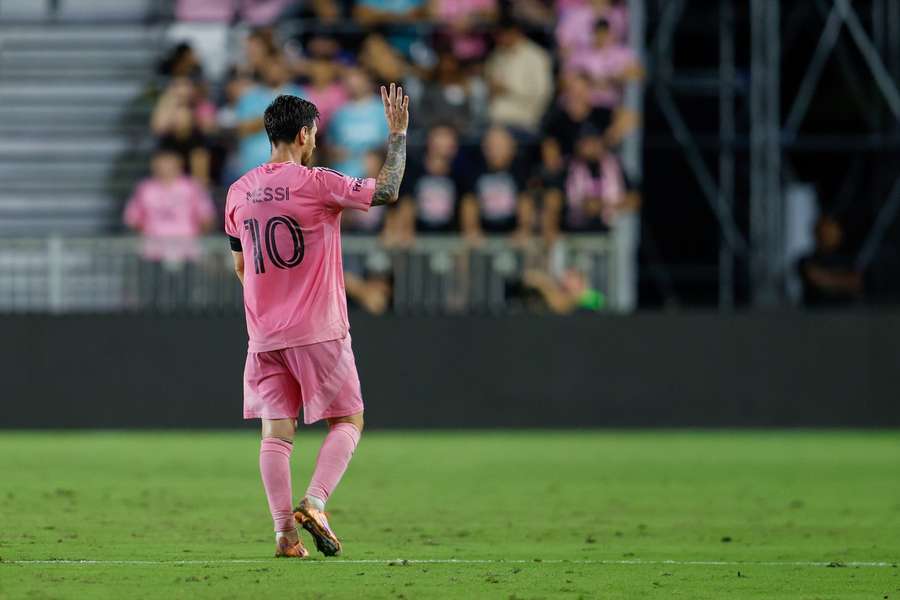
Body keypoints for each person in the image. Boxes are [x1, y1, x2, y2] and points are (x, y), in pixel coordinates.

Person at [224, 85, 409, 558]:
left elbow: (241, 267)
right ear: (305, 134)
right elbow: (386, 191)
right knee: (348, 419)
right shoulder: (318, 181)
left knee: (276, 433)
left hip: (263, 332)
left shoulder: (238, 191)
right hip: (318, 328)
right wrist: (398, 135)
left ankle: (285, 535)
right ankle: (316, 501)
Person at [235, 54, 303, 177]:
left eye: (278, 67)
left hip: (289, 169)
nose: (274, 72)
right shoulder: (249, 96)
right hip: (254, 168)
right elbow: (242, 129)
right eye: (269, 68)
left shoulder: (298, 94)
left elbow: (306, 131)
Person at [484, 18, 553, 135]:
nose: (500, 39)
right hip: (494, 121)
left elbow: (543, 94)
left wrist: (508, 89)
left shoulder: (536, 57)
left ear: (515, 32)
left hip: (524, 122)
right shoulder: (496, 55)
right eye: (498, 36)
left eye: (503, 35)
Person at [328, 67, 390, 177]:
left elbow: (393, 145)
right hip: (343, 175)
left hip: (374, 175)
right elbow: (330, 144)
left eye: (358, 78)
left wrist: (376, 155)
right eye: (350, 78)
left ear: (368, 81)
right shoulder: (339, 113)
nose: (354, 82)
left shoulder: (383, 110)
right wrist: (335, 152)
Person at [798, 215, 863, 307]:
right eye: (825, 230)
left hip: (846, 313)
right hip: (814, 314)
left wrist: (828, 280)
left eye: (832, 229)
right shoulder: (806, 260)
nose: (829, 234)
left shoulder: (849, 260)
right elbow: (816, 279)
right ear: (817, 233)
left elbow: (856, 283)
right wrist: (842, 282)